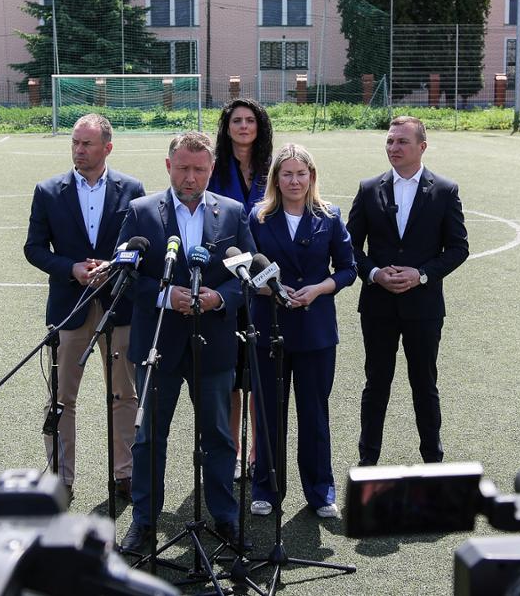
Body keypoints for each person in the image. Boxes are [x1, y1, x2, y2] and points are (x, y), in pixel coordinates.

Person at [115, 131, 256, 553]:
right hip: (158, 344)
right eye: (182, 168)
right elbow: (125, 275)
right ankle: (144, 521)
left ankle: (226, 518)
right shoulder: (141, 212)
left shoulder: (232, 213)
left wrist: (219, 299)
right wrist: (164, 295)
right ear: (168, 166)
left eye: (198, 169)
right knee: (149, 438)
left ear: (211, 169)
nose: (190, 177)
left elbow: (246, 278)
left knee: (217, 436)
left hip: (213, 343)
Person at [23, 113, 145, 505]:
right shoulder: (48, 191)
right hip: (69, 307)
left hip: (119, 306)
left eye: (86, 144)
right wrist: (71, 268)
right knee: (60, 398)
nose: (78, 149)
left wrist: (113, 267)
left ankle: (124, 475)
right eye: (75, 142)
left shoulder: (133, 189)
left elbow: (139, 244)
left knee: (124, 395)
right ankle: (61, 479)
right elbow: (34, 248)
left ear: (107, 147)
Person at [347, 116, 470, 466]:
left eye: (402, 141)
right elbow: (349, 246)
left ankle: (433, 462)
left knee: (424, 385)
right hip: (378, 306)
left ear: (422, 147)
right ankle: (367, 463)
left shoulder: (445, 190)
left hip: (424, 306)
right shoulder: (369, 188)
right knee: (376, 384)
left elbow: (458, 248)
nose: (393, 148)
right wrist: (372, 273)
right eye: (389, 141)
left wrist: (422, 275)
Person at [244, 144, 355, 521]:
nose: (294, 181)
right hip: (268, 329)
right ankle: (266, 490)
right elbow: (242, 270)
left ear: (312, 177)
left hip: (316, 331)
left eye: (301, 174)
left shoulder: (330, 216)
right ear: (276, 179)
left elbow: (347, 270)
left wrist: (320, 288)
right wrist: (270, 289)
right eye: (286, 174)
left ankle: (321, 491)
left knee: (314, 413)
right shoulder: (257, 217)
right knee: (270, 414)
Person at [208, 98, 272, 471]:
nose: (244, 126)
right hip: (226, 281)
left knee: (260, 374)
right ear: (227, 126)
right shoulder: (215, 168)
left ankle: (256, 453)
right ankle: (231, 452)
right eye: (237, 120)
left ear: (259, 126)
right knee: (230, 377)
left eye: (250, 120)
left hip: (263, 281)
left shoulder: (271, 168)